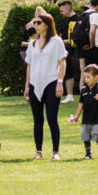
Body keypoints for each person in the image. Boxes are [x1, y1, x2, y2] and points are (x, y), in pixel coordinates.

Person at [24, 10, 67, 161]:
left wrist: (60, 83)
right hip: (34, 84)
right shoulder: (32, 44)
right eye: (34, 22)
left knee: (52, 118)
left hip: (52, 83)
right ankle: (38, 152)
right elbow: (29, 65)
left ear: (47, 25)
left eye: (38, 22)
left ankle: (55, 152)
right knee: (37, 120)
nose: (35, 25)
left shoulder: (57, 42)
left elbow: (62, 63)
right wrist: (27, 86)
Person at [69, 64, 98, 159]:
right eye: (85, 77)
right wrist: (77, 116)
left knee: (97, 137)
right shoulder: (84, 90)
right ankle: (88, 154)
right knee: (85, 136)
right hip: (86, 118)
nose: (86, 80)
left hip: (96, 119)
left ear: (96, 77)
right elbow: (81, 104)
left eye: (88, 77)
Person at [58, 1, 82, 104]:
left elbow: (79, 35)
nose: (60, 13)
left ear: (68, 9)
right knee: (67, 71)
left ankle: (84, 94)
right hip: (65, 49)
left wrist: (66, 41)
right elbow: (62, 33)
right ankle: (70, 95)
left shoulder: (78, 19)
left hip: (76, 49)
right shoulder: (65, 20)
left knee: (81, 71)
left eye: (62, 11)